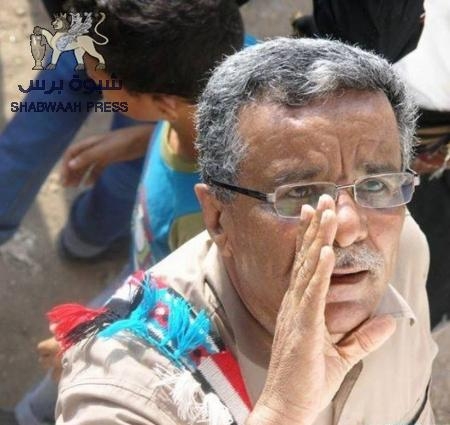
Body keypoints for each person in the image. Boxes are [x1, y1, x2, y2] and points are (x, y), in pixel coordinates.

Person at [52, 38, 437, 425]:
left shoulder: (405, 250)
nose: (349, 229)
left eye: (375, 185)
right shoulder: (129, 380)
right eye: (300, 194)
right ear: (218, 216)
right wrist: (283, 413)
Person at [0, 1, 246, 424]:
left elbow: (191, 313)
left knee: (68, 377)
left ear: (162, 104)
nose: (85, 70)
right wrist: (136, 141)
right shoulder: (227, 64)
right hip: (145, 267)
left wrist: (92, 341)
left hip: (147, 307)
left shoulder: (207, 222)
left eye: (97, 73)